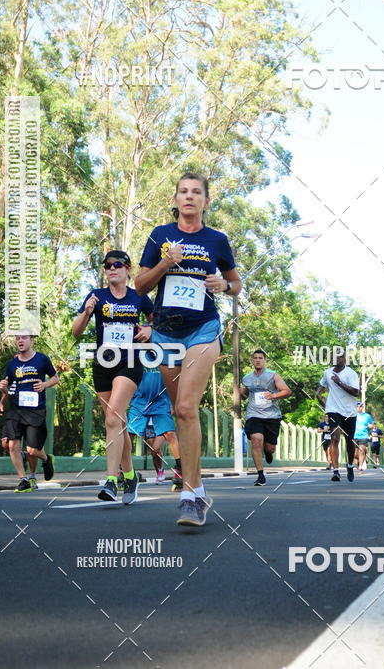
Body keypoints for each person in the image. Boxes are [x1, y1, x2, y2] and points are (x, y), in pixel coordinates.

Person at [134, 172, 242, 527]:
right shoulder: (160, 236)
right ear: (176, 199)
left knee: (185, 406)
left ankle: (190, 495)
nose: (190, 197)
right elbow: (140, 285)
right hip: (165, 332)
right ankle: (197, 491)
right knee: (181, 415)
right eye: (184, 192)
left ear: (206, 201)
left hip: (203, 328)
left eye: (197, 192)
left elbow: (236, 284)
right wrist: (166, 262)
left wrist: (223, 284)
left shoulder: (217, 240)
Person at [72, 249, 153, 504]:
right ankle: (130, 476)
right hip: (103, 363)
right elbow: (76, 332)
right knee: (117, 423)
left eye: (117, 264)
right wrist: (87, 312)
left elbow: (159, 322)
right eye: (107, 265)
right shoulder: (97, 296)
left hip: (129, 362)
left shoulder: (139, 296)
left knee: (112, 417)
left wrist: (150, 329)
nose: (111, 269)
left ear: (128, 269)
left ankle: (111, 481)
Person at [0, 334, 58, 492]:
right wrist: (2, 389)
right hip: (16, 409)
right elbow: (8, 388)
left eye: (24, 338)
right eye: (18, 338)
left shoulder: (42, 359)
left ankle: (46, 459)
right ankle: (23, 480)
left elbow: (55, 378)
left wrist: (45, 384)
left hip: (36, 409)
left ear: (31, 340)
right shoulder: (12, 365)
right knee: (12, 444)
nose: (20, 341)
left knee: (32, 450)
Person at [241, 349, 291, 486]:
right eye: (255, 358)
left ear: (265, 360)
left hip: (272, 416)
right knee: (256, 440)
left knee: (270, 448)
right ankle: (260, 475)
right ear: (252, 361)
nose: (257, 360)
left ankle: (268, 452)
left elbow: (287, 391)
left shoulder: (273, 375)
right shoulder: (247, 378)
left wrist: (273, 396)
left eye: (260, 358)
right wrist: (240, 393)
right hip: (254, 415)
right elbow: (245, 396)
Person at [127, 369, 182, 488]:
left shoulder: (166, 354)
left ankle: (180, 469)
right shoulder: (136, 353)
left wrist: (174, 402)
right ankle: (123, 470)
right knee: (131, 435)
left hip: (161, 404)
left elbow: (175, 377)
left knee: (169, 435)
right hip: (140, 403)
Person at [317, 348, 360, 482]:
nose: (337, 359)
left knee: (349, 441)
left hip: (349, 411)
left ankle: (350, 465)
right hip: (333, 409)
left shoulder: (351, 373)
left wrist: (339, 383)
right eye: (335, 357)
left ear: (345, 359)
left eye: (340, 357)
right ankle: (336, 471)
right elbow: (322, 385)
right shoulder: (327, 372)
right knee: (334, 438)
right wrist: (319, 394)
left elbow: (356, 392)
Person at [353, 403, 374, 472]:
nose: (359, 408)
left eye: (361, 406)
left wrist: (369, 426)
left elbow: (372, 425)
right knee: (355, 453)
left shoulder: (367, 416)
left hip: (364, 436)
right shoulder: (353, 415)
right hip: (354, 436)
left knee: (361, 450)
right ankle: (360, 460)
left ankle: (360, 466)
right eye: (358, 406)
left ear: (362, 407)